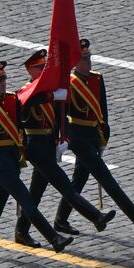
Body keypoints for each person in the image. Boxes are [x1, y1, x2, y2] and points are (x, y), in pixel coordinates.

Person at [0, 61, 74, 260]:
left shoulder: (12, 99)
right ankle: (54, 238)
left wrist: (52, 97)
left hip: (12, 158)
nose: (3, 83)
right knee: (26, 201)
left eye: (4, 79)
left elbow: (28, 107)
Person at [13, 49, 116, 246]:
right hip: (35, 148)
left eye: (45, 67)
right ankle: (96, 217)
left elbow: (63, 117)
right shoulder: (26, 91)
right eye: (39, 68)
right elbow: (28, 101)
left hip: (49, 146)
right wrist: (52, 96)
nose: (44, 71)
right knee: (66, 187)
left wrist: (64, 137)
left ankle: (21, 231)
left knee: (36, 192)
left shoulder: (50, 91)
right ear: (30, 71)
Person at [61, 39, 134, 232]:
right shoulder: (70, 84)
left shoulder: (97, 79)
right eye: (84, 58)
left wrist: (103, 135)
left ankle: (61, 219)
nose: (88, 62)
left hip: (93, 134)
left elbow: (103, 110)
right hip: (78, 136)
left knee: (80, 178)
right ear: (75, 62)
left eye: (89, 57)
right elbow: (62, 114)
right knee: (104, 175)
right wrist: (67, 138)